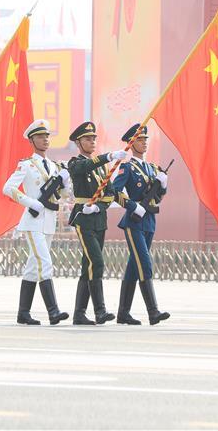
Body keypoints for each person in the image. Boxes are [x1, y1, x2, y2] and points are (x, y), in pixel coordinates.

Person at [2, 119, 71, 325]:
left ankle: (23, 313)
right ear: (32, 140)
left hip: (48, 221)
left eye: (47, 136)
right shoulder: (26, 165)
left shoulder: (53, 166)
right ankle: (53, 311)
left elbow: (64, 194)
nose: (45, 140)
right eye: (41, 137)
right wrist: (30, 202)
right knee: (45, 263)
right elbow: (8, 188)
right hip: (33, 222)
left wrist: (65, 181)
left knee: (33, 267)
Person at [67, 121, 127, 326]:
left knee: (88, 266)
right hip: (83, 219)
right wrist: (108, 157)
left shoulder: (103, 170)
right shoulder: (75, 163)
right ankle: (100, 311)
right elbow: (84, 167)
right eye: (87, 139)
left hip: (98, 219)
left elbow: (109, 194)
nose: (91, 141)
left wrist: (99, 207)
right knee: (97, 262)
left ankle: (79, 314)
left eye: (93, 139)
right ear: (78, 142)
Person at [111, 123, 170, 325]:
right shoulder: (127, 167)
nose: (144, 142)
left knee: (133, 268)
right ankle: (153, 312)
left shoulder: (152, 168)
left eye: (146, 139)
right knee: (144, 264)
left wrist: (163, 185)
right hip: (133, 222)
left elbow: (158, 197)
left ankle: (123, 313)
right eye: (140, 139)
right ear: (131, 143)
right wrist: (132, 206)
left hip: (149, 221)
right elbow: (113, 192)